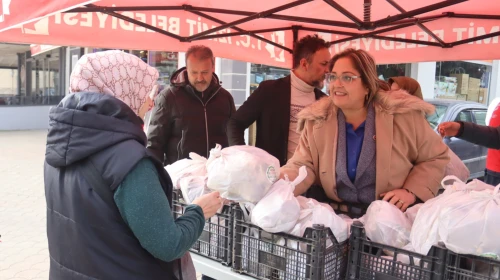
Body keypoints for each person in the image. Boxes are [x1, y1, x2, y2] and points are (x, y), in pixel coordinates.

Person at [44, 50, 223, 280]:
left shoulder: (59, 147)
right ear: (121, 90)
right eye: (143, 91)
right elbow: (168, 244)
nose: (149, 103)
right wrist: (198, 211)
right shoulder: (129, 161)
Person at [281, 48, 449, 212]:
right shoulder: (317, 121)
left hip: (388, 223)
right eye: (333, 77)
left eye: (347, 78)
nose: (337, 84)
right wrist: (276, 181)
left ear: (367, 86)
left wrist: (411, 192)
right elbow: (302, 165)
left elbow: (435, 157)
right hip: (335, 221)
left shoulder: (402, 117)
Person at [227, 35, 330, 166]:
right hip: (273, 178)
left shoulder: (324, 100)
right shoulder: (269, 90)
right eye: (323, 64)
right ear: (304, 63)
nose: (328, 70)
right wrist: (243, 158)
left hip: (311, 180)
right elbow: (235, 123)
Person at [147, 45, 236, 165]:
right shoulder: (168, 98)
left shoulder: (225, 98)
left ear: (213, 68)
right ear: (186, 69)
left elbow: (234, 136)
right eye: (194, 72)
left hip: (219, 176)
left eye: (205, 72)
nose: (200, 78)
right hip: (180, 178)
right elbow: (154, 144)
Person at [389, 76, 470, 182]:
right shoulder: (389, 116)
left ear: (409, 94)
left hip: (415, 184)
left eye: (397, 91)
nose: (391, 95)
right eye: (390, 91)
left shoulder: (415, 121)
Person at [439, 104, 500, 185]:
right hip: (492, 168)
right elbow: (496, 135)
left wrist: (461, 130)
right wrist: (460, 129)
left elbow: (496, 137)